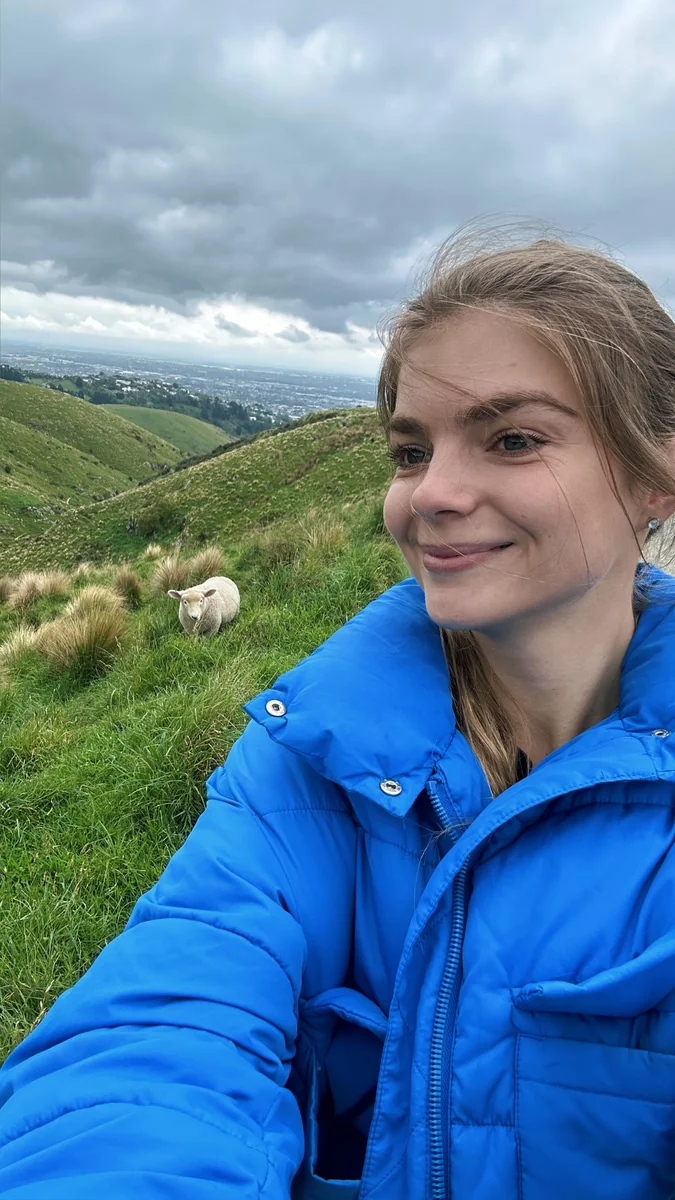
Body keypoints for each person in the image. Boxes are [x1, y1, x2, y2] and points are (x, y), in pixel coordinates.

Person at [1, 232, 674, 1200]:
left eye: (514, 438)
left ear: (655, 474)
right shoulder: (302, 760)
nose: (430, 494)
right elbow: (159, 1026)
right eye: (410, 450)